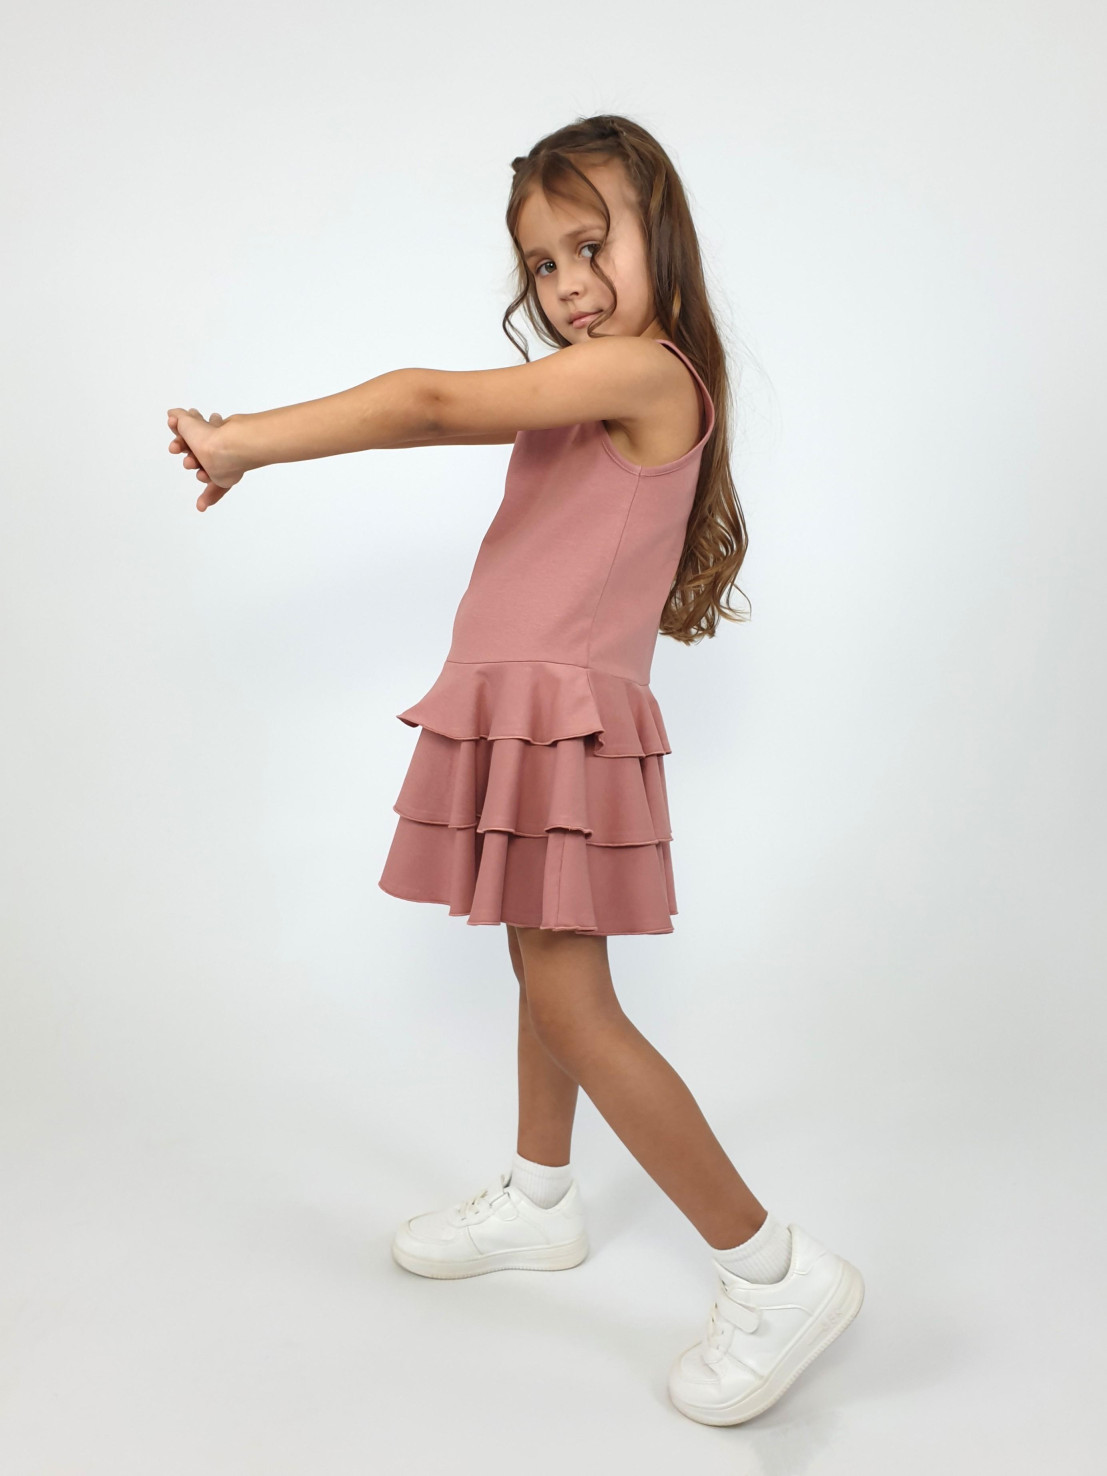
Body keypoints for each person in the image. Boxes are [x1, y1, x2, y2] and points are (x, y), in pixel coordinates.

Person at [166, 112, 864, 1426]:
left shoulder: (645, 374)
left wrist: (245, 437)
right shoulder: (599, 382)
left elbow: (430, 402)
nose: (568, 285)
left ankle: (772, 1270)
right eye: (543, 265)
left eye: (593, 246)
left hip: (565, 719)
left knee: (574, 999)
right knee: (536, 968)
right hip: (528, 711)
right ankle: (543, 1197)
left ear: (665, 241)